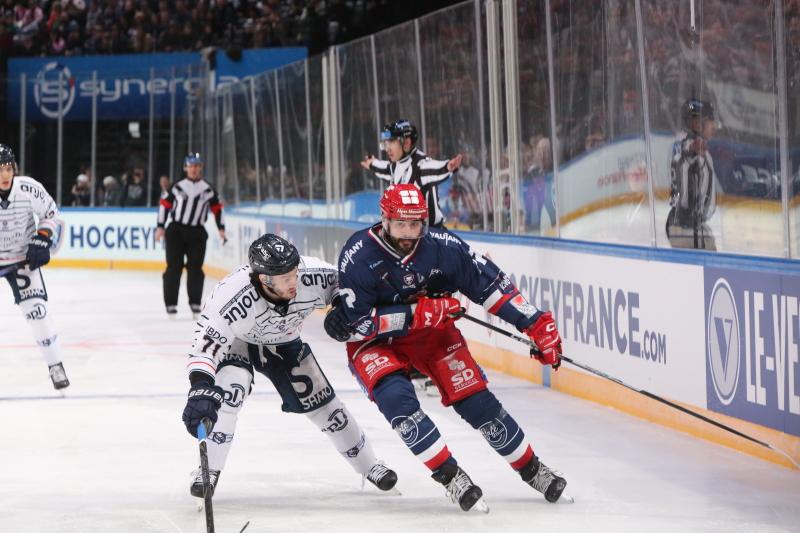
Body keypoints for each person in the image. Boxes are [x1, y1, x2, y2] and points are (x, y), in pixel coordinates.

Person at [324, 183, 568, 512]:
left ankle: (533, 469)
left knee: (477, 401)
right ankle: (451, 476)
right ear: (384, 220)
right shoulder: (358, 254)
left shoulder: (442, 245)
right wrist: (417, 313)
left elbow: (488, 284)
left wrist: (534, 323)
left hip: (433, 335)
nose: (409, 232)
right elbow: (353, 325)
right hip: (374, 343)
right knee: (398, 400)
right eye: (401, 224)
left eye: (416, 224)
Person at [181, 233, 398, 497]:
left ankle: (370, 464)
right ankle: (209, 470)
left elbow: (350, 282)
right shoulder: (230, 297)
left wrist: (342, 306)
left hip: (285, 342)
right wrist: (201, 387)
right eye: (285, 279)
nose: (294, 281)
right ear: (264, 279)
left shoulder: (311, 273)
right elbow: (204, 349)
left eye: (294, 273)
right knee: (230, 392)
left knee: (325, 405)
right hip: (238, 342)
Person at [0, 144, 69, 390]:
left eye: (8, 168)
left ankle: (55, 365)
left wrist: (43, 236)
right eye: (0, 169)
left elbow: (52, 213)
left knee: (37, 311)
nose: (5, 174)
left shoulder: (28, 188)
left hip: (21, 259)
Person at [156, 153, 225, 318]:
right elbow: (164, 205)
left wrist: (221, 228)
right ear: (185, 168)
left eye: (196, 166)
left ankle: (195, 304)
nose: (193, 169)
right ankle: (171, 304)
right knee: (174, 267)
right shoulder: (177, 186)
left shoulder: (207, 188)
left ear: (200, 168)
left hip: (197, 233)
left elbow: (217, 208)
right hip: (176, 231)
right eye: (191, 166)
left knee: (195, 268)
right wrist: (160, 227)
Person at [360, 119, 462, 227]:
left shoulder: (420, 165)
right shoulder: (396, 164)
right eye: (386, 143)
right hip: (409, 235)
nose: (387, 149)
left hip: (429, 236)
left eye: (392, 142)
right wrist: (372, 164)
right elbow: (385, 169)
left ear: (407, 143)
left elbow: (432, 168)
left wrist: (447, 167)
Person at [666, 99, 718, 250]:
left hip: (690, 228)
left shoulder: (695, 145)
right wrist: (692, 147)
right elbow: (686, 151)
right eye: (710, 121)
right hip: (687, 231)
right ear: (696, 124)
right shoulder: (691, 145)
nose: (714, 126)